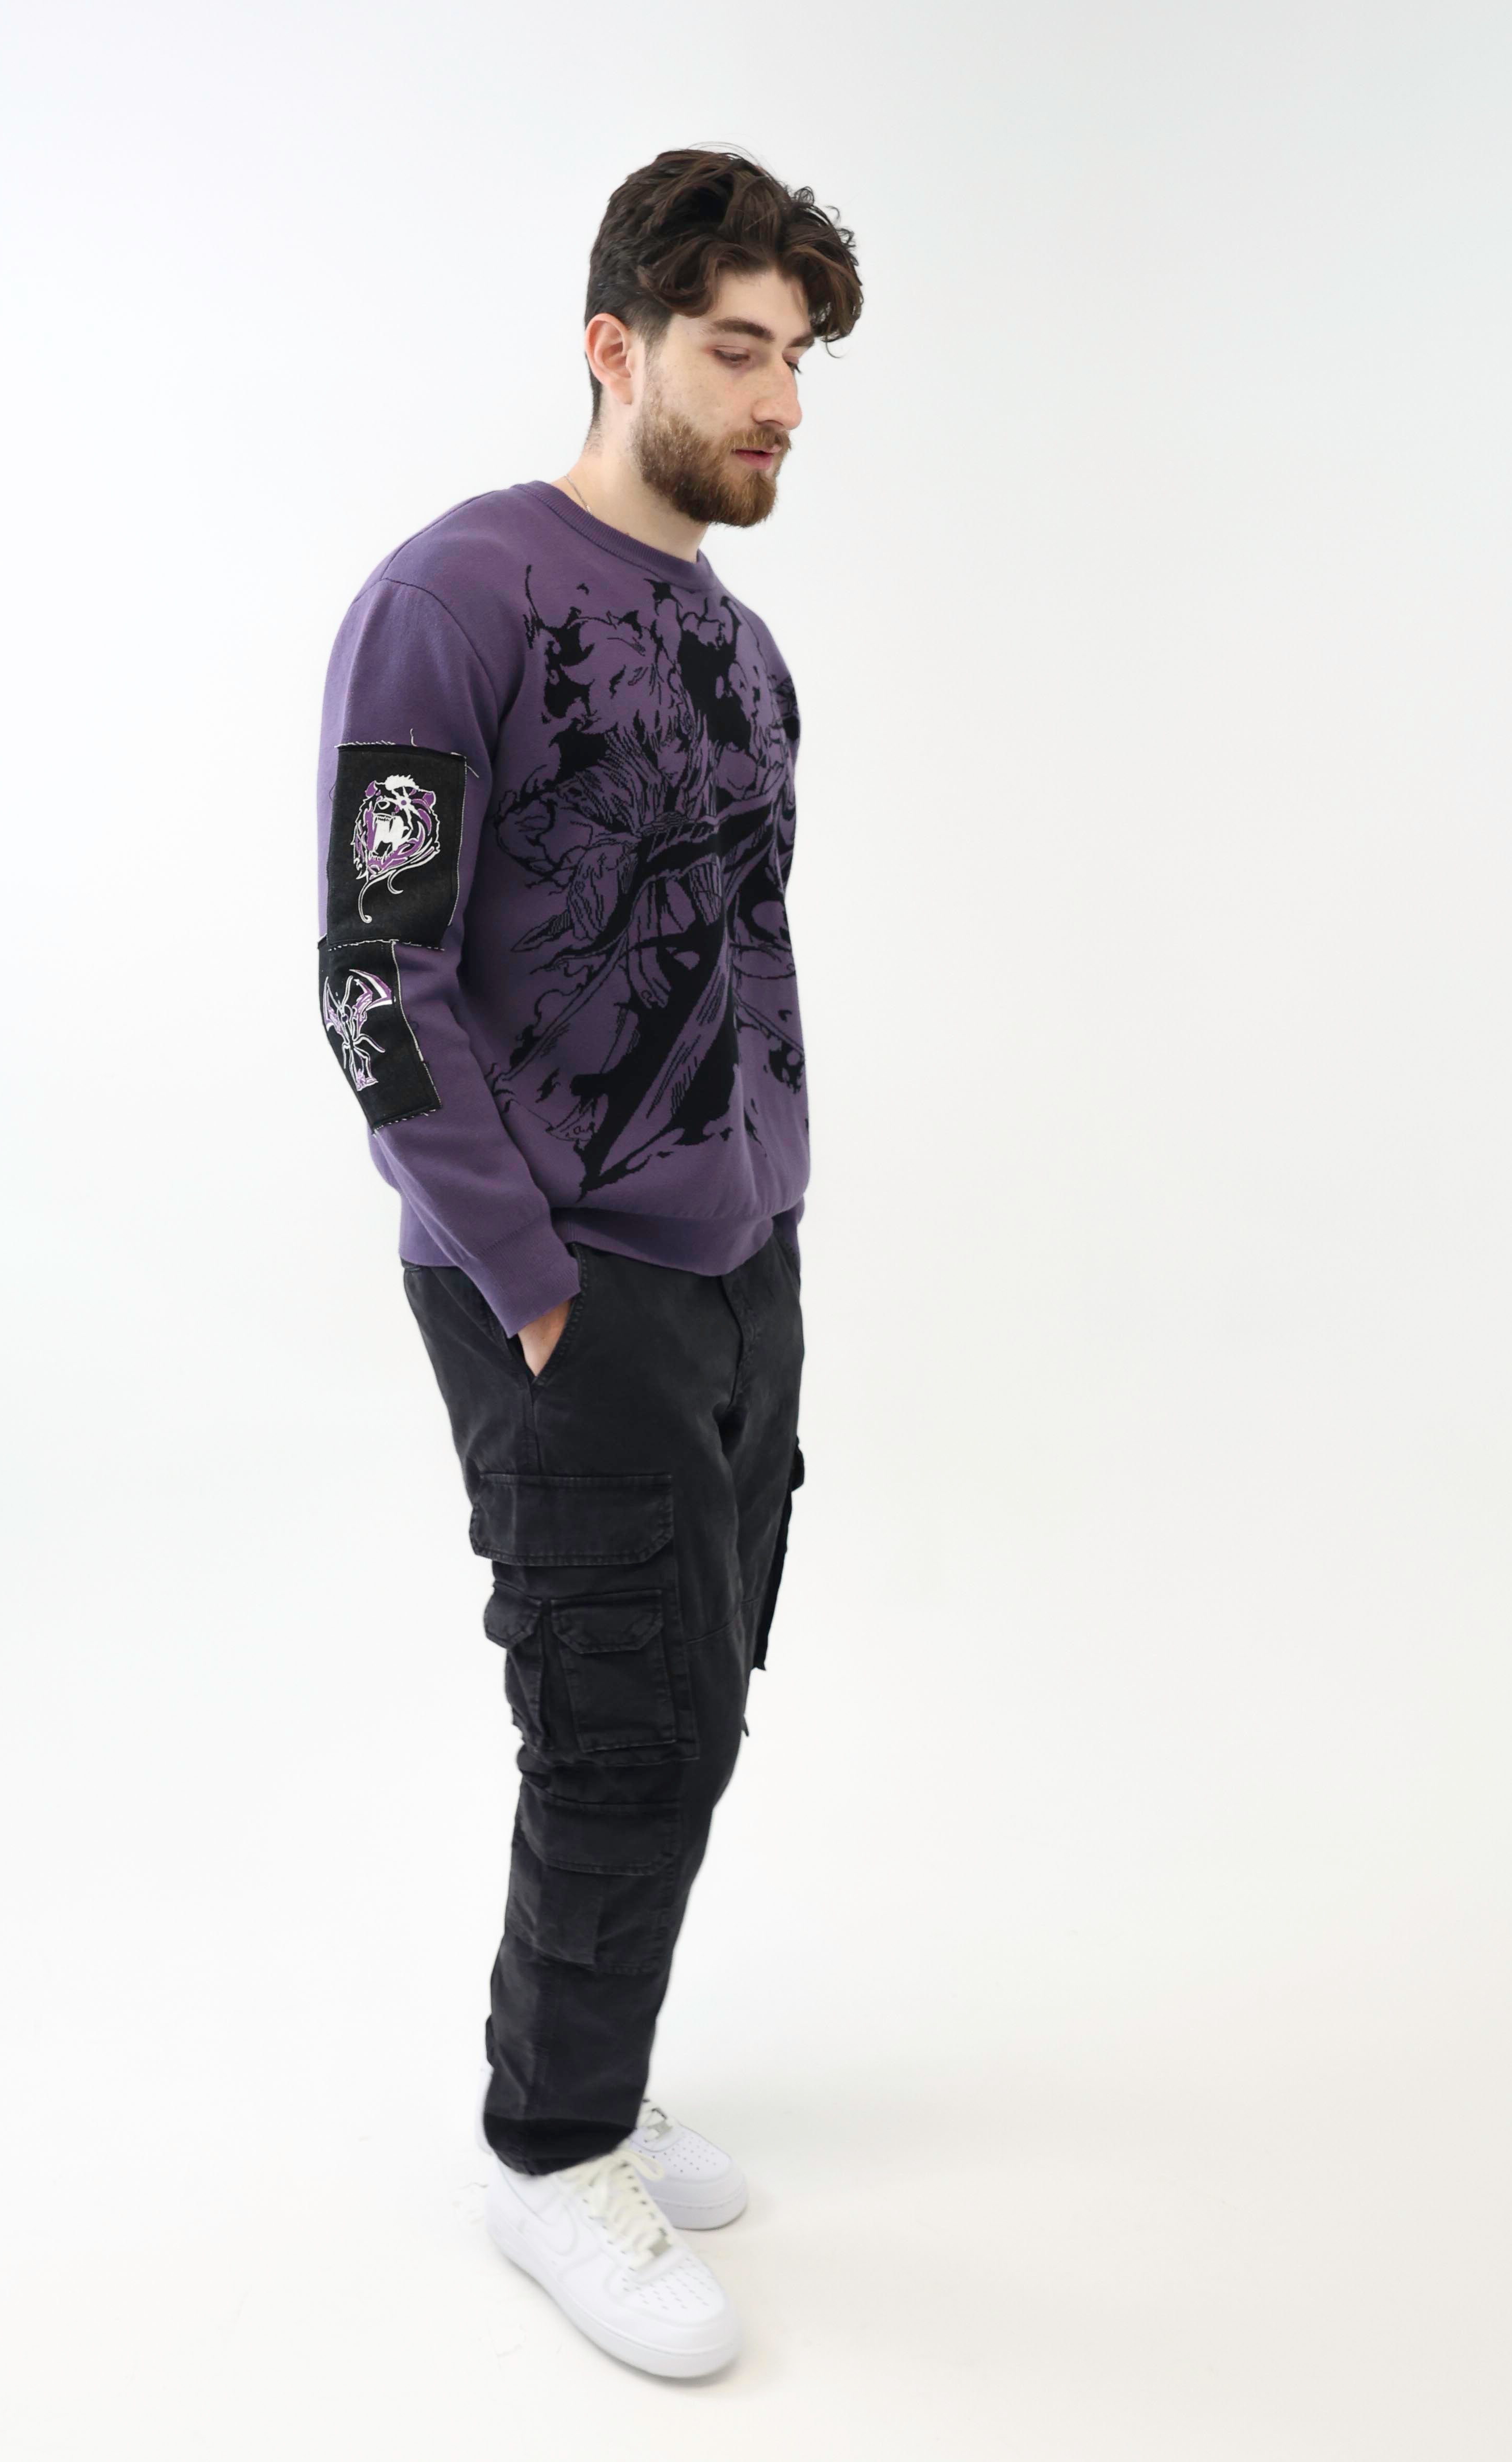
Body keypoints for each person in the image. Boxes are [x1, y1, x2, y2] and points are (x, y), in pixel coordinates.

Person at [315, 146, 862, 2378]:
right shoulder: (452, 600)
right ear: (613, 345)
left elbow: (747, 948)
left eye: (799, 360)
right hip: (558, 1275)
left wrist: (777, 1199)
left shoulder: (740, 646)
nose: (781, 401)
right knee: (618, 1713)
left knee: (700, 1690)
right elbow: (373, 978)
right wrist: (533, 1280)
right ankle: (549, 2150)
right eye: (738, 350)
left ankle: (600, 2059)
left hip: (738, 1254)